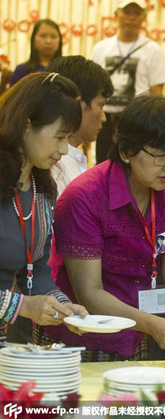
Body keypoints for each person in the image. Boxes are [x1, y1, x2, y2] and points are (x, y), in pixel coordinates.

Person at [39, 95, 165, 361]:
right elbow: (89, 292)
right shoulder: (85, 197)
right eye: (161, 157)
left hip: (137, 335)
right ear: (126, 152)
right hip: (79, 338)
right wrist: (151, 324)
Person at [0, 72, 88, 340]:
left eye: (68, 138)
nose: (64, 150)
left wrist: (60, 304)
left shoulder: (41, 188)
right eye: (59, 137)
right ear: (27, 126)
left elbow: (35, 267)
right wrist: (23, 306)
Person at [91, 0, 165, 164]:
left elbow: (157, 94)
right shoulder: (101, 48)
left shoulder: (153, 50)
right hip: (105, 122)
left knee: (135, 170)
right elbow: (92, 89)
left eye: (136, 13)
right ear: (116, 14)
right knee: (102, 170)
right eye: (126, 12)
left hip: (137, 123)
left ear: (144, 17)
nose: (131, 18)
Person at [48, 56, 114, 195]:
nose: (104, 118)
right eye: (100, 106)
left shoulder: (72, 159)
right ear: (78, 103)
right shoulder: (53, 164)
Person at [9, 19, 63, 87]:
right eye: (43, 36)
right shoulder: (21, 70)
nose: (48, 41)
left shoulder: (67, 70)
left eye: (53, 37)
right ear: (33, 40)